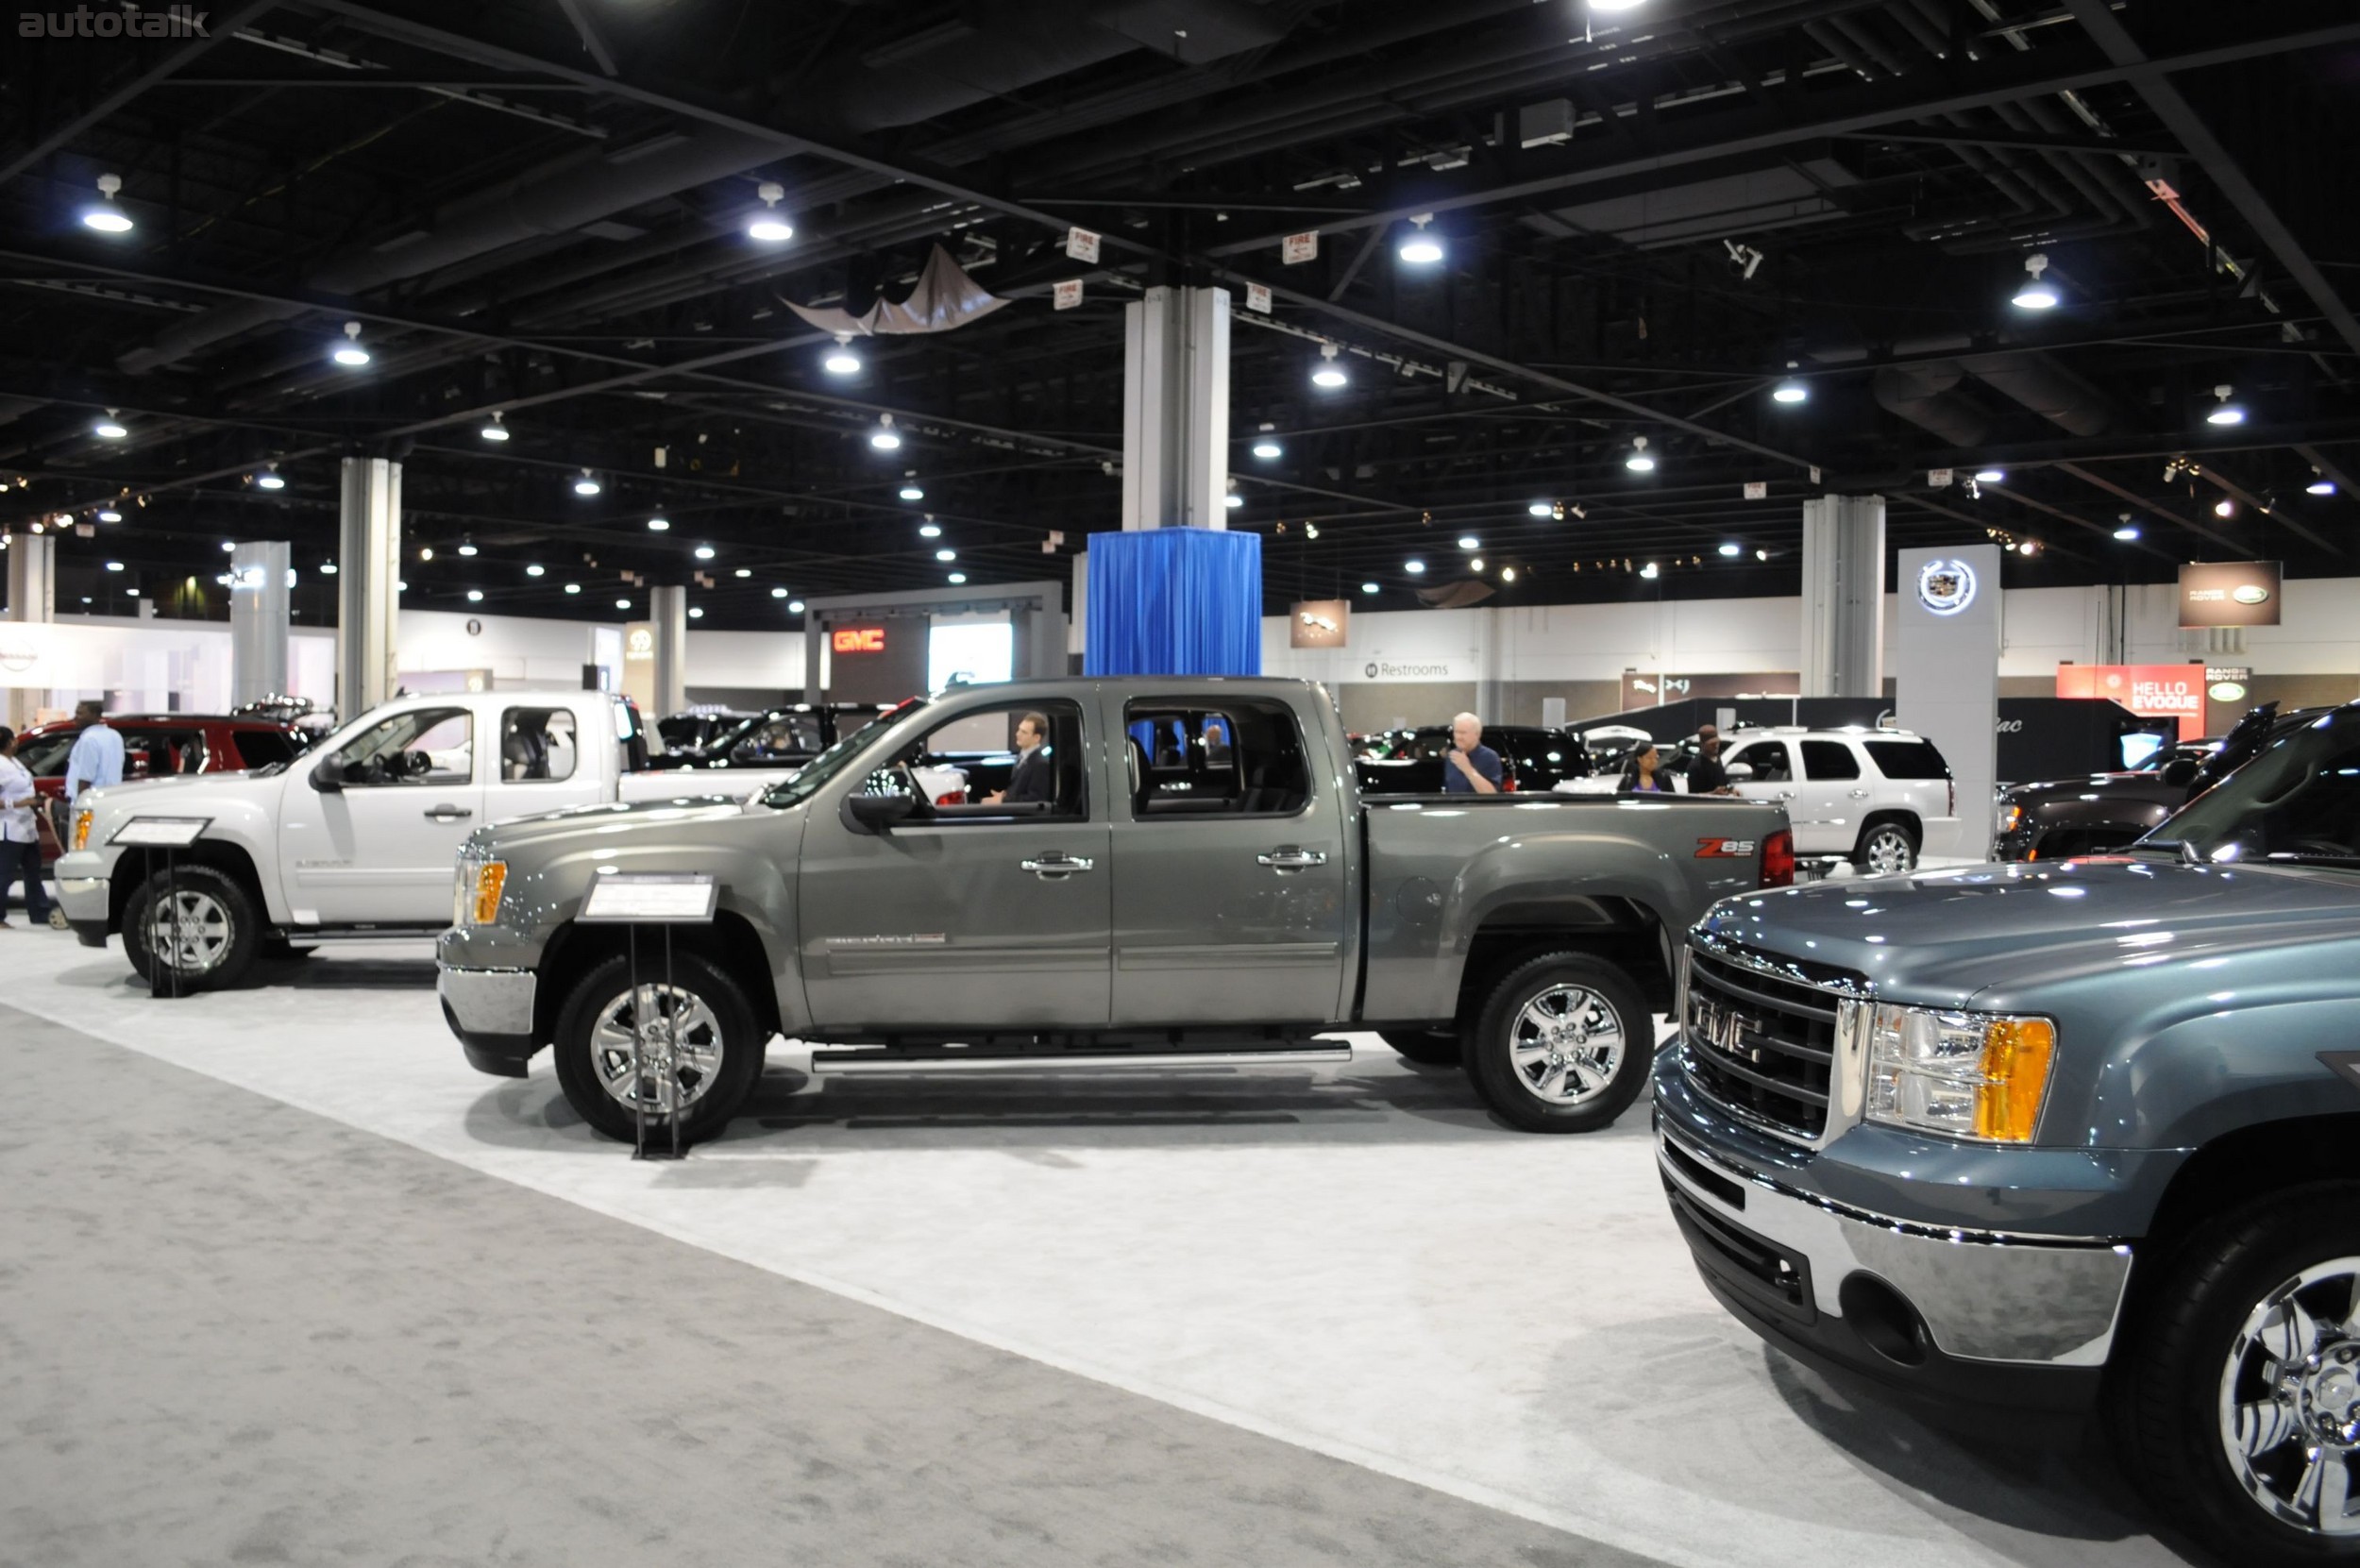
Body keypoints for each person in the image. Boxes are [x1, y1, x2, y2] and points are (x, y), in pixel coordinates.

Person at [0, 726, 59, 930]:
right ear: (11, 742)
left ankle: (40, 912)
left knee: (33, 871)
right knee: (4, 874)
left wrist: (34, 799)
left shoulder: (13, 762)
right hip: (8, 828)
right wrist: (22, 803)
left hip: (26, 826)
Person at [62, 700, 124, 806]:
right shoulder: (115, 735)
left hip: (90, 803)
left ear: (94, 715)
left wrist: (81, 807)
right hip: (112, 799)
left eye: (80, 713)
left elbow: (85, 777)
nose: (75, 717)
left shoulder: (89, 739)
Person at [986, 712, 1054, 805]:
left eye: (1024, 732)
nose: (1017, 734)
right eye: (1019, 729)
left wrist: (1003, 800)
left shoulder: (1040, 764)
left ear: (1036, 737)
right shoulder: (1021, 757)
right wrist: (1004, 795)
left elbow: (1036, 799)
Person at [1441, 712, 1502, 794]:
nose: (1458, 737)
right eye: (1456, 732)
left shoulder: (1490, 757)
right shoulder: (1451, 757)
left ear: (1477, 734)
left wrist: (1468, 769)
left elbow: (1492, 794)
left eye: (1463, 733)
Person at [1687, 726, 1729, 795]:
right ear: (1702, 744)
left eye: (1717, 742)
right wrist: (1713, 793)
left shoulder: (1718, 760)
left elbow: (1724, 782)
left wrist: (1731, 790)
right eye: (1712, 744)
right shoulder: (1695, 766)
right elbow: (1693, 796)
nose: (1716, 746)